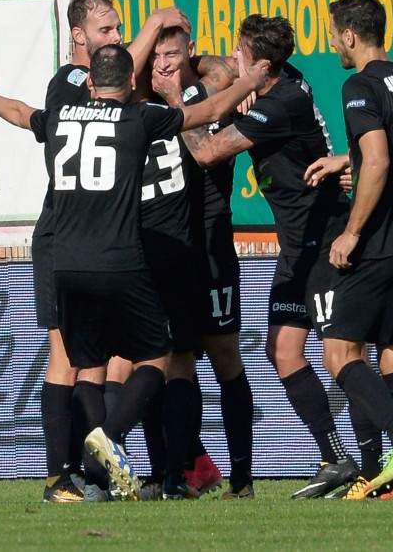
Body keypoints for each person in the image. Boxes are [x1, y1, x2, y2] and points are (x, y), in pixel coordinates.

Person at [0, 43, 268, 501]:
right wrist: (248, 83)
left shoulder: (62, 116)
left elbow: (21, 112)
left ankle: (78, 478)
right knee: (158, 357)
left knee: (87, 365)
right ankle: (111, 436)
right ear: (131, 84)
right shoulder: (137, 119)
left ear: (89, 82)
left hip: (64, 262)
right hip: (119, 259)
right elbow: (203, 110)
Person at [153, 14, 363, 500]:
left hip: (325, 237)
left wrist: (170, 99)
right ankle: (336, 459)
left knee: (342, 356)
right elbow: (223, 69)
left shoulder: (281, 101)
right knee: (283, 351)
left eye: (241, 56)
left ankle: (376, 458)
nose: (232, 62)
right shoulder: (279, 81)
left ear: (261, 65)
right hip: (298, 245)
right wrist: (224, 75)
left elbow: (206, 153)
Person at [31, 0, 191, 503]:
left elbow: (23, 115)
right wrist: (158, 21)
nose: (118, 38)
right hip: (66, 237)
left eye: (121, 29)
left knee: (97, 363)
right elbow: (127, 77)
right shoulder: (72, 83)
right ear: (79, 37)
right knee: (70, 360)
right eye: (107, 30)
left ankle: (95, 475)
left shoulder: (101, 91)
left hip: (95, 244)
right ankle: (63, 475)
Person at [304, 0, 393, 499]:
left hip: (382, 237)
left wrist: (352, 231)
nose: (332, 42)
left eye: (333, 33)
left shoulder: (358, 84)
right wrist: (348, 161)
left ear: (350, 35)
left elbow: (380, 161)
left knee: (339, 350)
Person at [149, 26, 255, 501]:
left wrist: (180, 97)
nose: (165, 64)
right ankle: (184, 469)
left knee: (224, 358)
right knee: (172, 360)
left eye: (174, 54)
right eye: (159, 56)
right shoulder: (149, 97)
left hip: (211, 243)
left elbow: (207, 154)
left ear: (190, 52)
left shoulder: (209, 93)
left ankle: (242, 479)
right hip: (170, 249)